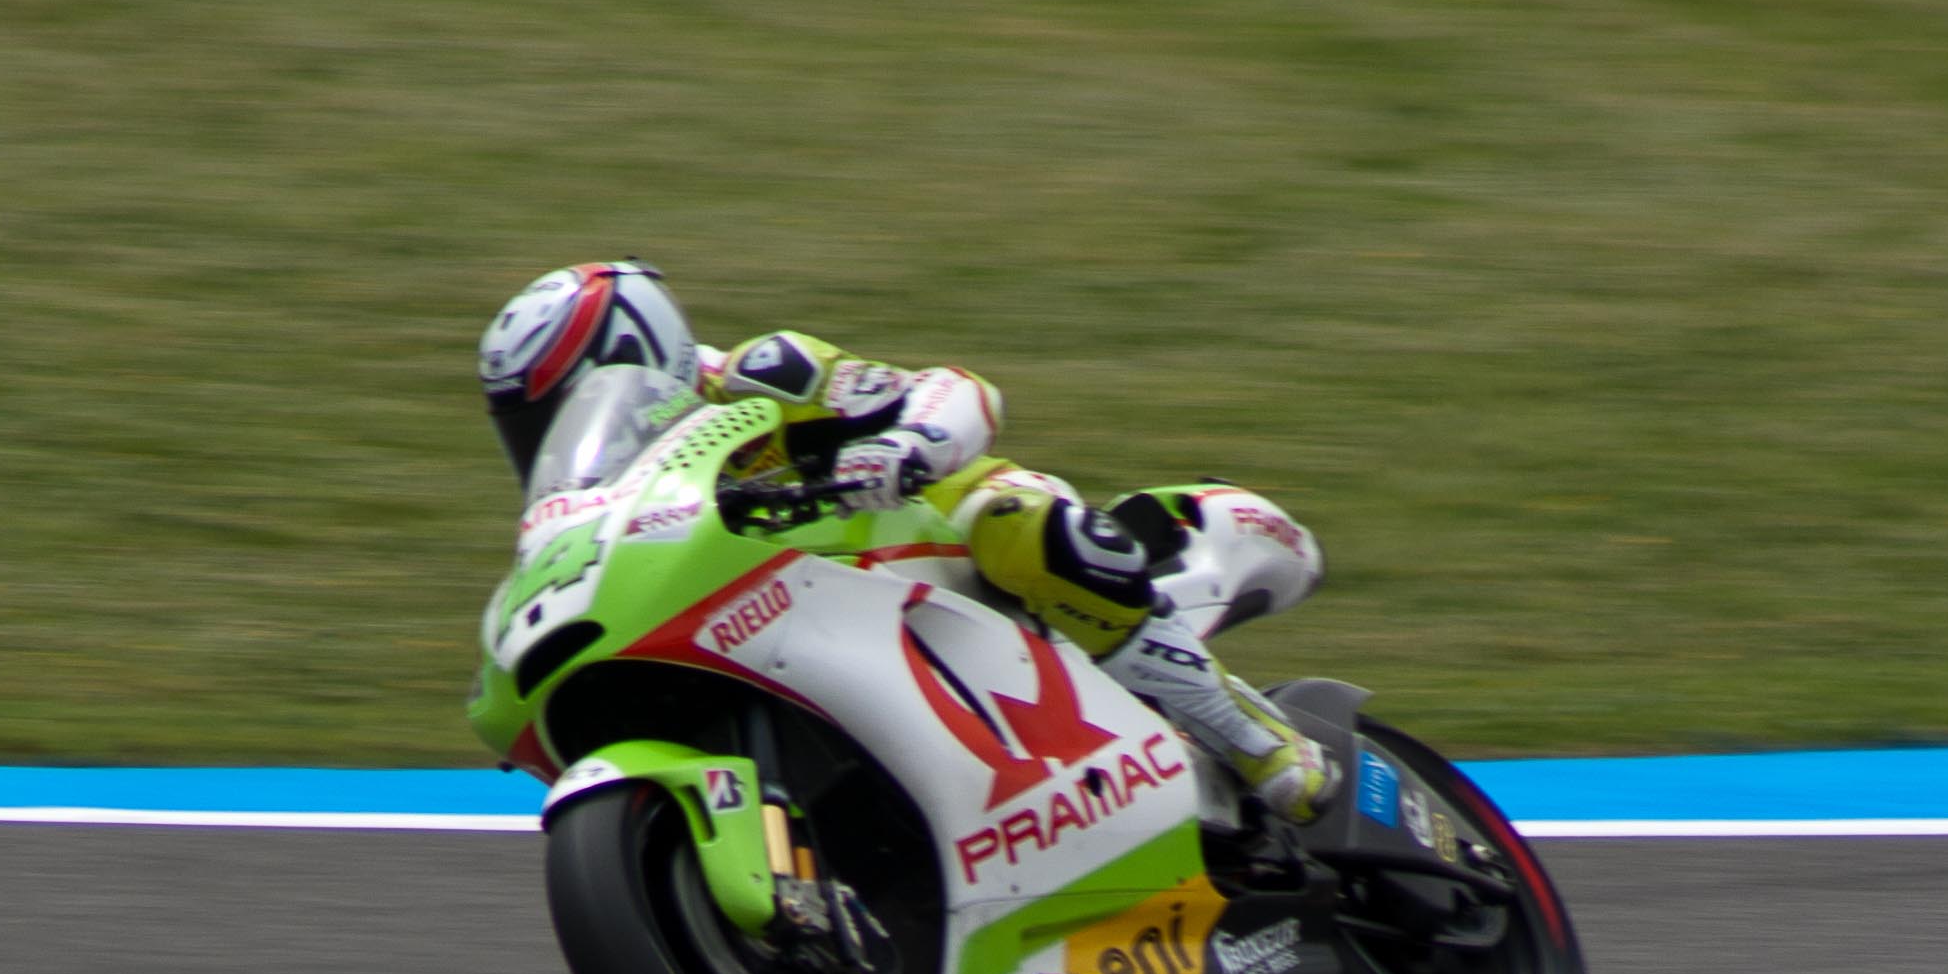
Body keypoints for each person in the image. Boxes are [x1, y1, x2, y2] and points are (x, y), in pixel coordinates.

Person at [480, 259, 1333, 823]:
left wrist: (905, 445)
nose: (544, 436)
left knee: (1017, 528)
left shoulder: (761, 373)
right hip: (791, 618)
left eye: (552, 405)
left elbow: (954, 390)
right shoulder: (607, 498)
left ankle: (1253, 736)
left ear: (629, 351)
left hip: (928, 538)